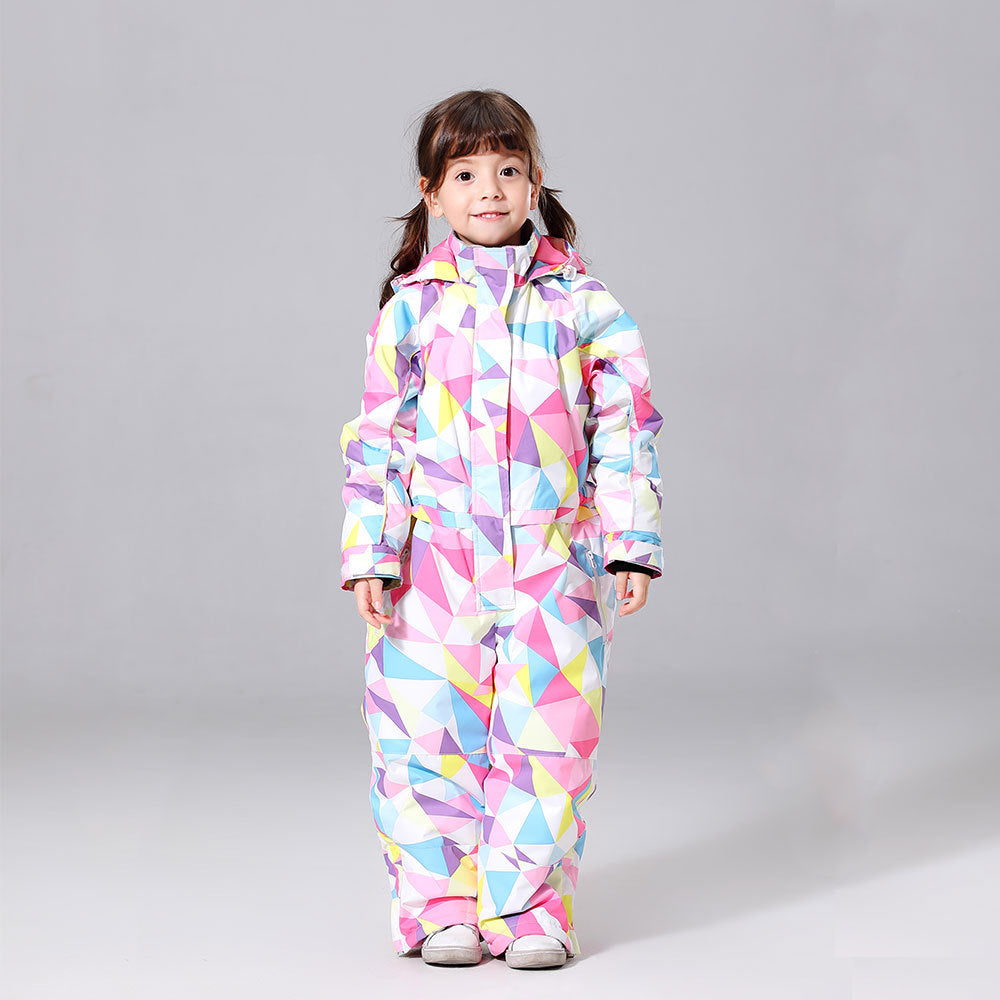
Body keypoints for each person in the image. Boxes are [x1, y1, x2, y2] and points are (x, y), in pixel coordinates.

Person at [339, 89, 663, 969]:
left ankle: (527, 908)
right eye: (466, 174)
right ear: (431, 193)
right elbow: (380, 437)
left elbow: (626, 424)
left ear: (535, 181)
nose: (489, 189)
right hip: (434, 563)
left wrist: (630, 542)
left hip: (552, 560)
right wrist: (371, 551)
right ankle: (440, 905)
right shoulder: (411, 308)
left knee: (550, 735)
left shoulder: (584, 304)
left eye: (508, 170)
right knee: (423, 732)